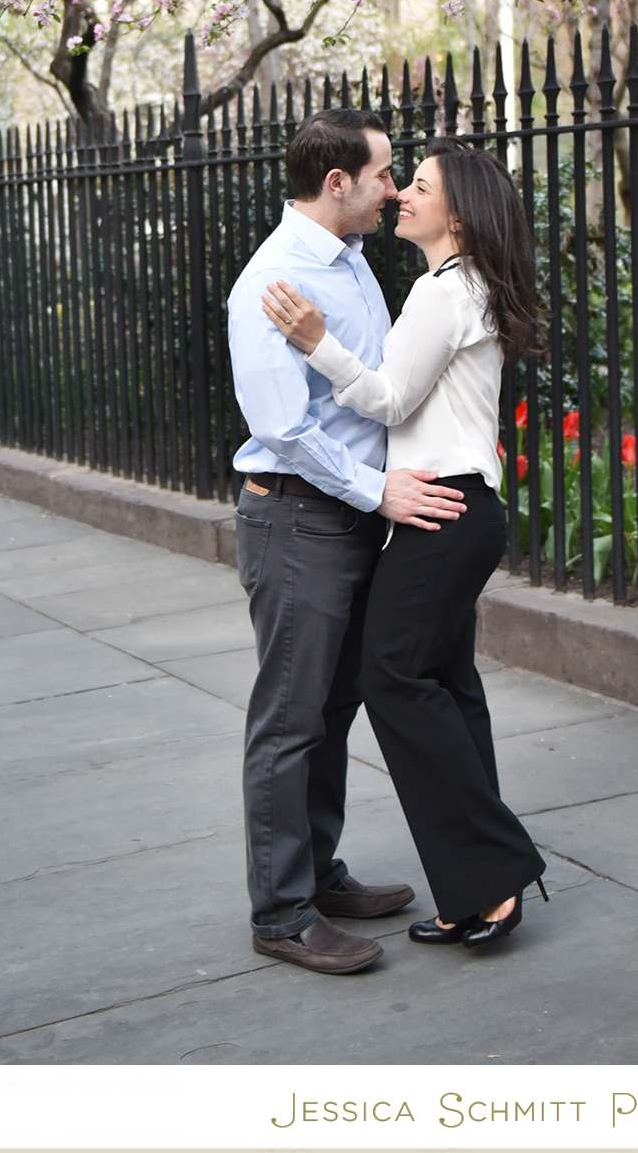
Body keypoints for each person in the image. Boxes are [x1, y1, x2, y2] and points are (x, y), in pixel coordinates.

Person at [262, 138, 548, 953]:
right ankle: (479, 889)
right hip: (461, 509)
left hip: (441, 511)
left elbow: (388, 401)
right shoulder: (469, 285)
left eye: (418, 186)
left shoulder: (442, 291)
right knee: (448, 686)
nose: (401, 196)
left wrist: (316, 341)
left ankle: (494, 871)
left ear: (457, 214)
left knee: (391, 676)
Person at [227, 109, 470, 975]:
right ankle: (282, 913)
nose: (394, 191)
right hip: (300, 520)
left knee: (332, 709)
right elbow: (284, 430)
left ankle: (317, 874)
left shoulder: (353, 257)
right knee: (291, 719)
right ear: (338, 183)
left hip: (356, 517)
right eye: (383, 176)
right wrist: (379, 491)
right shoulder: (275, 280)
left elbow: (376, 389)